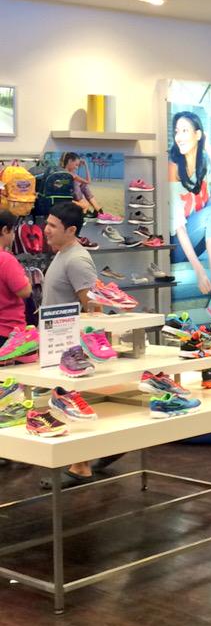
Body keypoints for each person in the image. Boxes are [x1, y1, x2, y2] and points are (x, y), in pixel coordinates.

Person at [42, 202, 101, 480]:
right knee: (64, 402)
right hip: (57, 343)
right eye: (47, 223)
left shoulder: (77, 259)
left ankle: (81, 464)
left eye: (53, 225)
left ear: (71, 230)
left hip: (71, 347)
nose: (46, 229)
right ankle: (78, 459)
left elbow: (94, 307)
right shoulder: (63, 254)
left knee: (72, 402)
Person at [168, 110, 211, 320]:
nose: (179, 136)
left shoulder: (202, 163)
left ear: (198, 135)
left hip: (197, 234)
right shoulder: (173, 167)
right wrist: (199, 270)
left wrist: (209, 148)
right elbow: (178, 226)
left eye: (185, 131)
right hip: (177, 245)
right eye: (177, 131)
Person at [0, 209, 31, 347]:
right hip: (8, 331)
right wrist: (27, 280)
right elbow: (25, 291)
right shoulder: (6, 259)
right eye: (12, 231)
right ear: (5, 230)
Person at [61, 152, 100, 218]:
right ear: (70, 161)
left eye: (78, 166)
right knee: (75, 183)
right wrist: (68, 182)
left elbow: (88, 181)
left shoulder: (72, 174)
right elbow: (57, 184)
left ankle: (98, 209)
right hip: (66, 199)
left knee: (83, 185)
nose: (76, 168)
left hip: (72, 197)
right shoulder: (62, 172)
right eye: (76, 165)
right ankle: (94, 209)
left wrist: (86, 166)